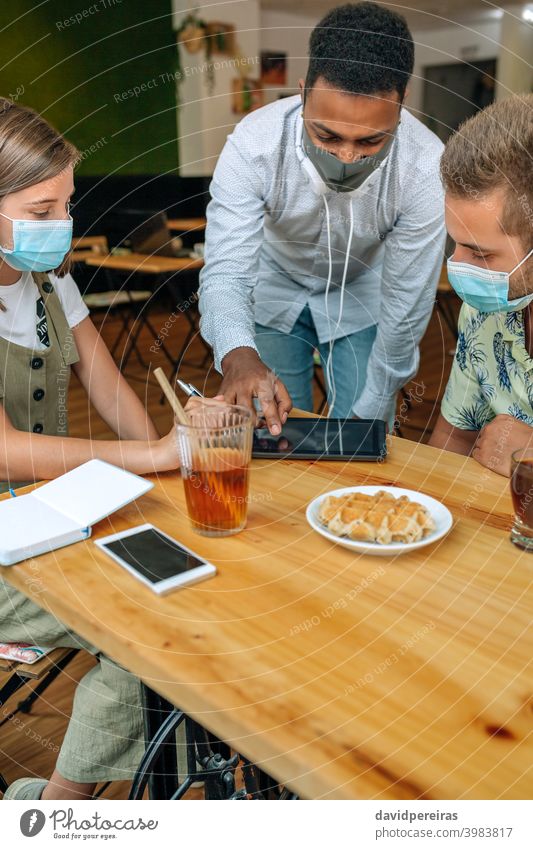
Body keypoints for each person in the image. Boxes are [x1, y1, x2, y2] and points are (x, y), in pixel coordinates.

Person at [0, 97, 180, 800]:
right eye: (41, 211)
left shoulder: (49, 282)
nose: (61, 227)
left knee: (167, 605)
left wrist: (171, 449)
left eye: (66, 206)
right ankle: (56, 811)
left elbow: (108, 388)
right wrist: (151, 459)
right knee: (144, 632)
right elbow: (8, 453)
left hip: (40, 522)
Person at [199, 1, 446, 434]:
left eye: (371, 140)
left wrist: (373, 408)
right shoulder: (252, 146)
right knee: (277, 430)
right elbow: (225, 275)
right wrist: (238, 354)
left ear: (402, 103)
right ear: (301, 91)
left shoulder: (426, 168)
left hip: (362, 287)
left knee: (366, 433)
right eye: (326, 135)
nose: (347, 156)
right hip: (274, 283)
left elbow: (408, 298)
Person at [429, 94, 533, 477]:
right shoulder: (484, 312)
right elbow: (453, 441)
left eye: (481, 254)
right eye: (454, 243)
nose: (457, 266)